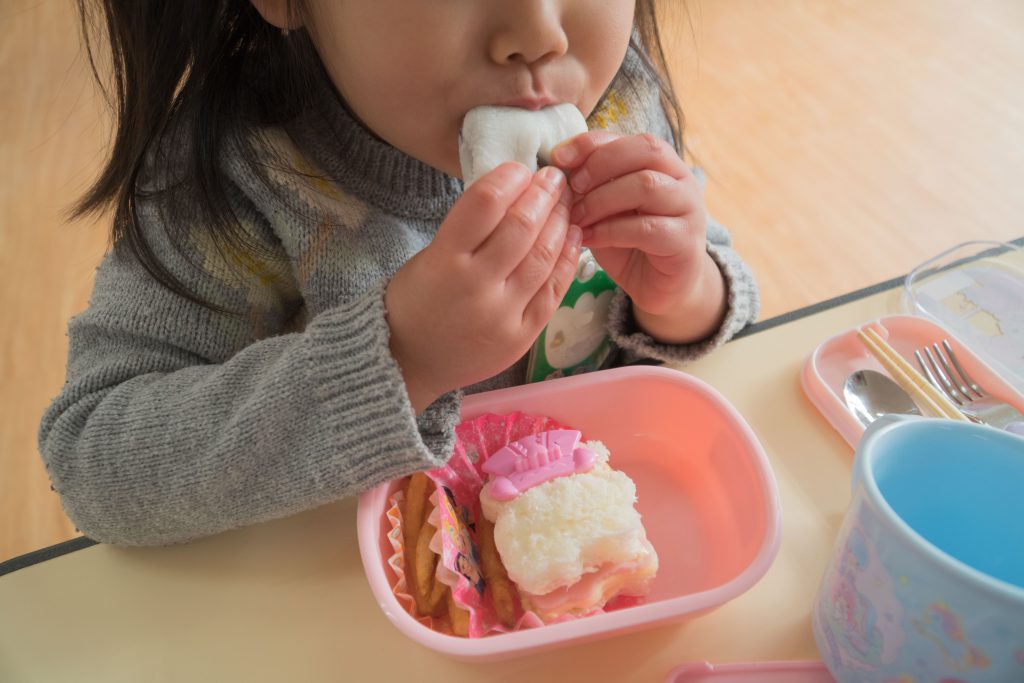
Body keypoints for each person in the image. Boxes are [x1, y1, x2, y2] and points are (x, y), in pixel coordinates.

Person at [41, 0, 759, 546]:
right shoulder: (242, 183)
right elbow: (93, 458)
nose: (540, 32)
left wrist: (686, 291)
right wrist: (400, 354)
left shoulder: (616, 98)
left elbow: (722, 305)